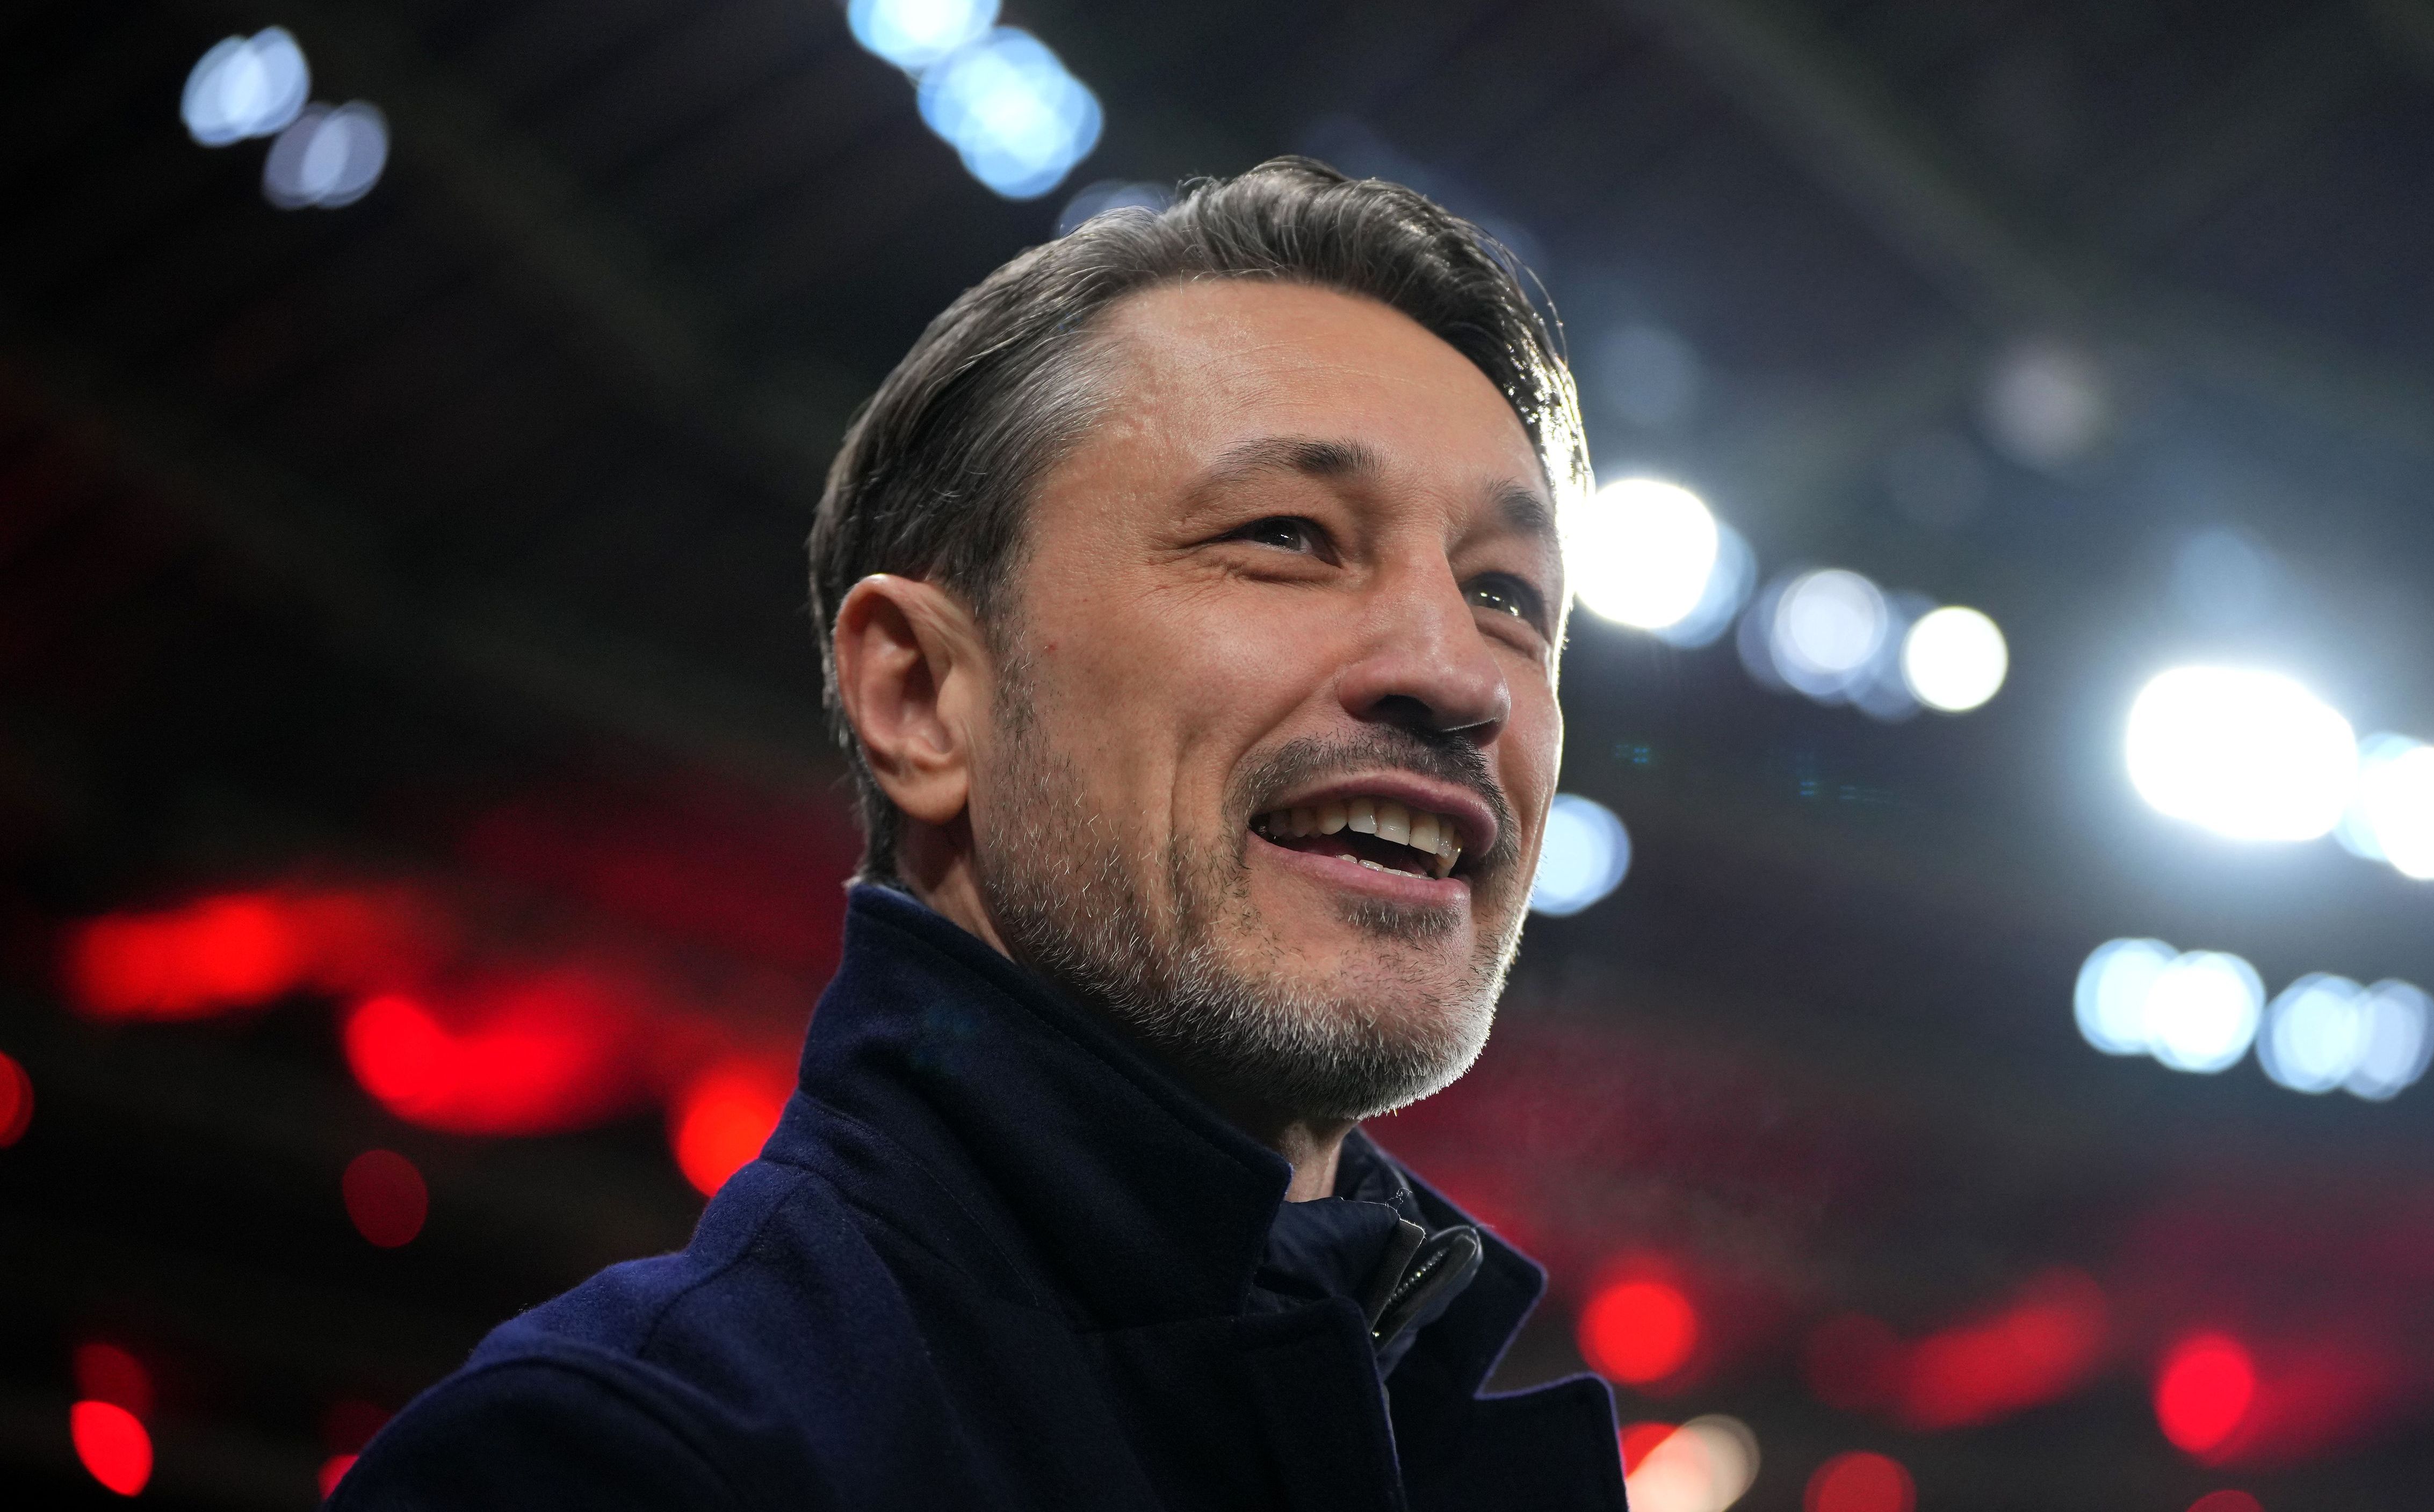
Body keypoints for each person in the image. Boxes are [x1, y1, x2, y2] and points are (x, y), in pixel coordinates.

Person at [334, 157, 1620, 1511]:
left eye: (1505, 595)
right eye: (1287, 535)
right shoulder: (623, 1466)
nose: (1459, 674)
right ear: (923, 698)